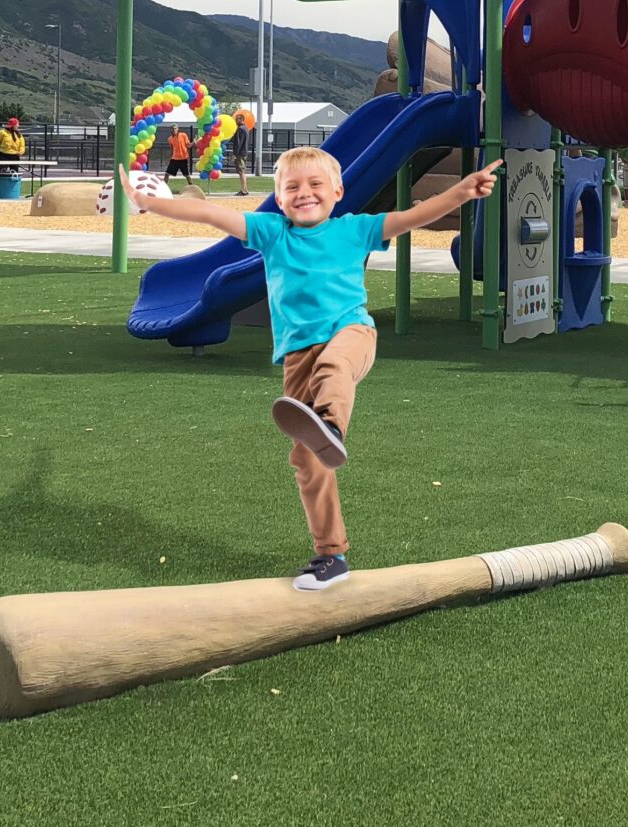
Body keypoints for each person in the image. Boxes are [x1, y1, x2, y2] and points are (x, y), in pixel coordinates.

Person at [121, 146, 500, 591]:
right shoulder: (270, 232)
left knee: (335, 366)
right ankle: (331, 555)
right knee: (307, 461)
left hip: (352, 333)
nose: (305, 194)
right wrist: (152, 203)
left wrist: (461, 191)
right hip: (299, 356)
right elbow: (210, 215)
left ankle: (331, 427)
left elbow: (410, 218)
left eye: (316, 184)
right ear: (278, 198)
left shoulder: (355, 230)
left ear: (337, 191)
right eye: (292, 187)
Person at [230, 108, 254, 195]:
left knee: (241, 172)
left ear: (241, 120)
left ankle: (243, 190)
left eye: (237, 119)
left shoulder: (240, 129)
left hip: (240, 153)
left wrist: (234, 154)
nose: (236, 121)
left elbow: (238, 143)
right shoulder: (246, 128)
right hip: (244, 153)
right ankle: (245, 190)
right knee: (243, 171)